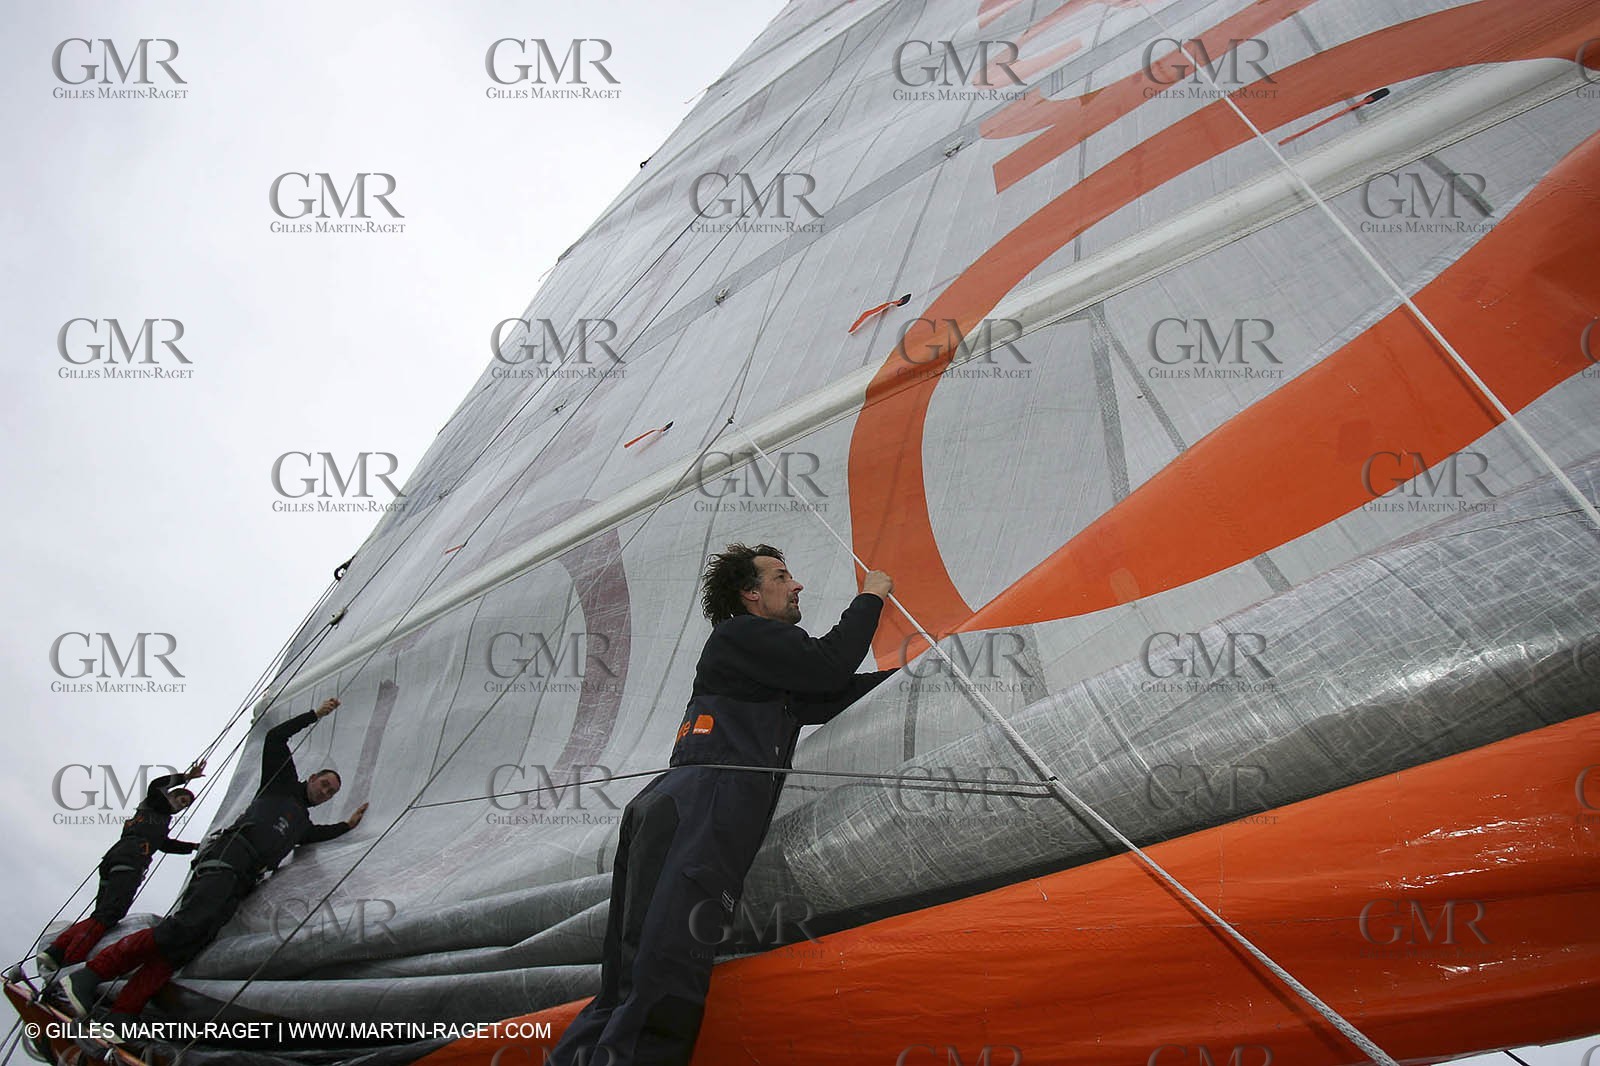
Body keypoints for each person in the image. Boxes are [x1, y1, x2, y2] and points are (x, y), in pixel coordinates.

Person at [548, 544, 897, 1066]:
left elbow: (828, 695)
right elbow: (828, 666)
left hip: (671, 808)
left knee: (630, 974)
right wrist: (870, 598)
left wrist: (921, 669)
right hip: (702, 805)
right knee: (669, 966)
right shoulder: (742, 633)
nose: (796, 585)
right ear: (750, 594)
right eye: (783, 576)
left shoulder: (759, 670)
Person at [64, 697, 369, 1018]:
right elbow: (275, 738)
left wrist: (348, 825)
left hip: (243, 881)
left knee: (186, 947)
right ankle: (90, 975)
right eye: (325, 784)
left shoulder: (302, 825)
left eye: (332, 792)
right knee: (184, 926)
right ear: (311, 778)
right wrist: (315, 714)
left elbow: (321, 834)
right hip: (229, 858)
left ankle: (122, 1015)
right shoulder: (279, 783)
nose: (326, 792)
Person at [36, 761, 207, 975]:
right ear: (170, 796)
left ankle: (56, 951)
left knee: (102, 915)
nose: (183, 805)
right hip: (131, 860)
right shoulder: (156, 803)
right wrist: (187, 776)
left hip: (115, 858)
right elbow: (155, 784)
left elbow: (165, 844)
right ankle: (70, 963)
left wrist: (196, 847)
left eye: (186, 804)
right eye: (181, 799)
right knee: (110, 914)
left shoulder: (158, 819)